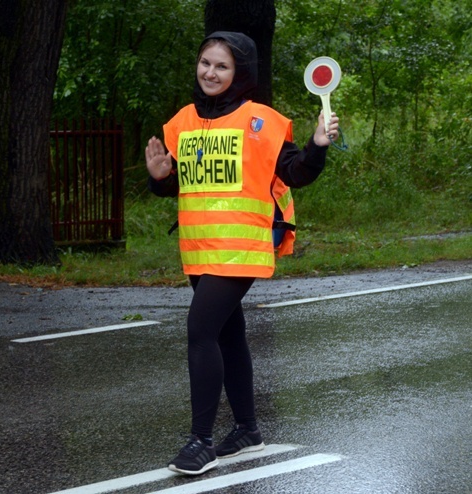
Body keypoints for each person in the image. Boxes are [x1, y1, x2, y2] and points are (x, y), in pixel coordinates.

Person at [145, 31, 340, 476]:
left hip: (243, 247)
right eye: (206, 63)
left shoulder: (261, 121)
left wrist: (317, 146)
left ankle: (201, 442)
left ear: (241, 73)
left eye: (222, 66)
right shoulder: (182, 123)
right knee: (227, 334)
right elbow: (183, 182)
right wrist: (160, 177)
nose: (210, 73)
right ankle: (248, 429)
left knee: (200, 331)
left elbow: (295, 172)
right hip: (199, 248)